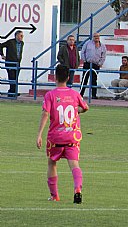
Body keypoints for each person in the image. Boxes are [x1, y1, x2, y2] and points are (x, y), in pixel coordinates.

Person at [36, 64, 89, 203]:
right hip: (72, 136)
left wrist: (39, 134)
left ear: (55, 77)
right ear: (68, 77)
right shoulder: (74, 94)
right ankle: (77, 189)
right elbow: (85, 108)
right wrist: (78, 111)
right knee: (75, 165)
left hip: (55, 137)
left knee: (52, 163)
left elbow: (45, 114)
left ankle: (55, 196)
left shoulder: (50, 95)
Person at [79, 32, 106, 99]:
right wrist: (85, 60)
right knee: (84, 79)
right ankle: (80, 94)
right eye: (95, 36)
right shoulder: (87, 43)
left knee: (94, 80)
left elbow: (103, 56)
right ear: (93, 37)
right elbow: (83, 52)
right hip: (87, 63)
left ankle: (94, 95)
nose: (96, 38)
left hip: (96, 65)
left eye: (98, 36)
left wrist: (100, 64)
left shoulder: (102, 46)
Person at [0, 30, 24, 97]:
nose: (22, 37)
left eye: (22, 36)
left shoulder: (22, 43)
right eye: (20, 35)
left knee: (15, 78)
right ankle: (11, 92)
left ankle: (13, 91)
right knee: (12, 78)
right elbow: (1, 46)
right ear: (16, 36)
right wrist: (2, 55)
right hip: (10, 63)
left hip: (17, 63)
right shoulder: (10, 42)